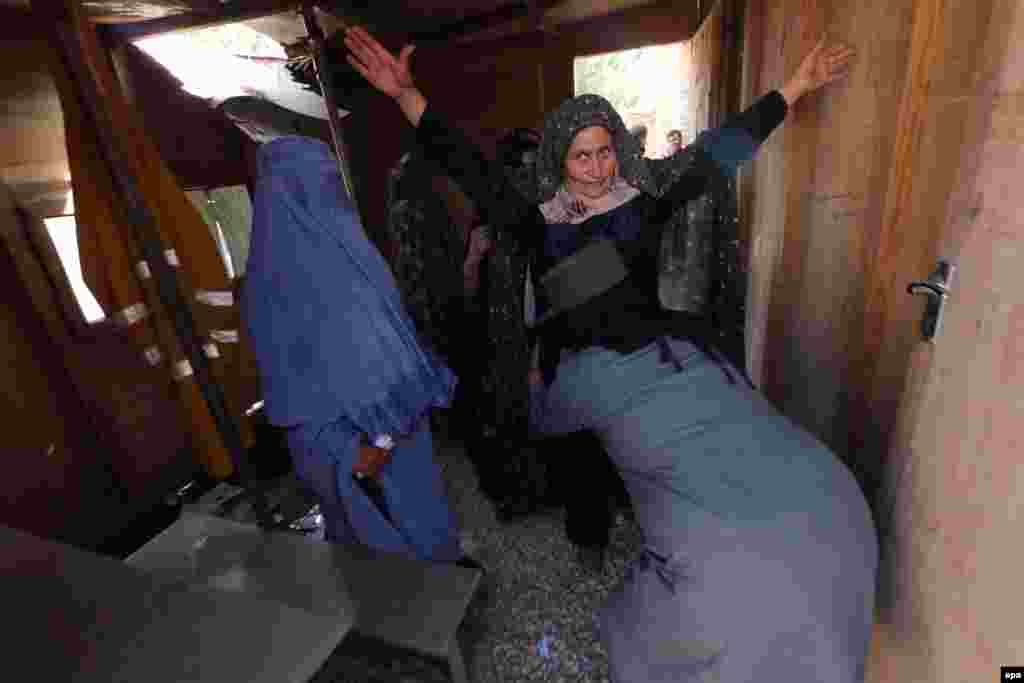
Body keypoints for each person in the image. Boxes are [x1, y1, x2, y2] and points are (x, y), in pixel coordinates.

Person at [345, 25, 874, 682]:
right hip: (573, 366)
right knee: (576, 461)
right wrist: (407, 96)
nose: (597, 168)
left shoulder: (645, 199)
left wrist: (795, 86)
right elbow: (467, 165)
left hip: (653, 354)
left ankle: (651, 523)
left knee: (657, 456)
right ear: (558, 161)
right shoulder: (536, 217)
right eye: (581, 156)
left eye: (604, 151)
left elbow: (719, 152)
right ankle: (590, 531)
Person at [243, 135, 476, 567]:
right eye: (316, 185)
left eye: (333, 183)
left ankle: (444, 589)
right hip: (354, 452)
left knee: (425, 528)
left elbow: (395, 336)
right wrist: (351, 450)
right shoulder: (272, 282)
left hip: (398, 433)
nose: (330, 196)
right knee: (386, 564)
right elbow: (292, 389)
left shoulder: (355, 252)